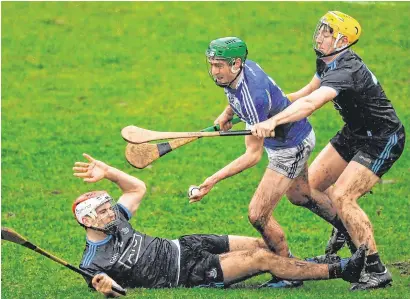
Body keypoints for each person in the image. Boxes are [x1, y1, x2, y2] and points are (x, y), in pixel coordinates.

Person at [251, 11, 405, 291]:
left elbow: (312, 104)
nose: (320, 35)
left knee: (343, 195)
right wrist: (266, 109)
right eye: (321, 29)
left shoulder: (347, 70)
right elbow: (307, 92)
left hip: (382, 138)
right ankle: (348, 231)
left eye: (327, 32)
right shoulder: (326, 60)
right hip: (354, 134)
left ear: (343, 41)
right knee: (301, 192)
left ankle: (375, 268)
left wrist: (274, 121)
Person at [72, 153, 366, 297]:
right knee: (262, 259)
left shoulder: (118, 219)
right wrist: (107, 289)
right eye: (103, 211)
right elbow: (113, 291)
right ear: (87, 220)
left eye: (110, 207)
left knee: (265, 245)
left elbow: (137, 188)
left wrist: (109, 172)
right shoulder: (92, 263)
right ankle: (339, 269)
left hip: (186, 244)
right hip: (187, 273)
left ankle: (298, 269)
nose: (111, 213)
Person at [188, 37, 316, 288]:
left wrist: (212, 180)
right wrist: (227, 114)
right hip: (287, 140)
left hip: (290, 147)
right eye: (212, 64)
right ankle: (345, 230)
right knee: (303, 197)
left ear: (236, 63)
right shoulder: (239, 72)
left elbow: (252, 156)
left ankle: (288, 272)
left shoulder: (253, 96)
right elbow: (237, 99)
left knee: (258, 214)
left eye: (219, 66)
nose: (214, 72)